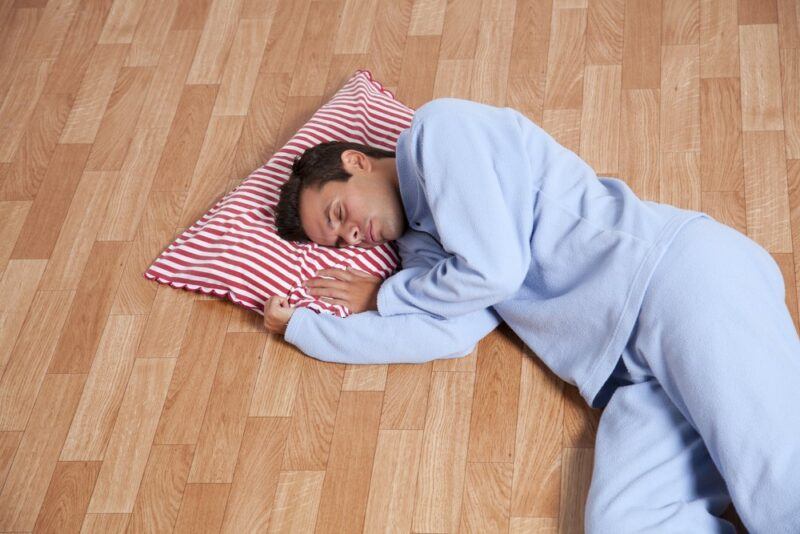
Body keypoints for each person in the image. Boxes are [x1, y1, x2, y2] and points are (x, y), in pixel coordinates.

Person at [268, 98, 800, 532]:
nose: (352, 235)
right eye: (338, 241)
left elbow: (496, 269)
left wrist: (388, 295)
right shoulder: (422, 252)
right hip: (628, 373)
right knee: (626, 523)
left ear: (356, 162)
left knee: (779, 488)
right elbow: (449, 332)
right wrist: (304, 327)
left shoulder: (438, 133)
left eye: (340, 214)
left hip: (674, 281)